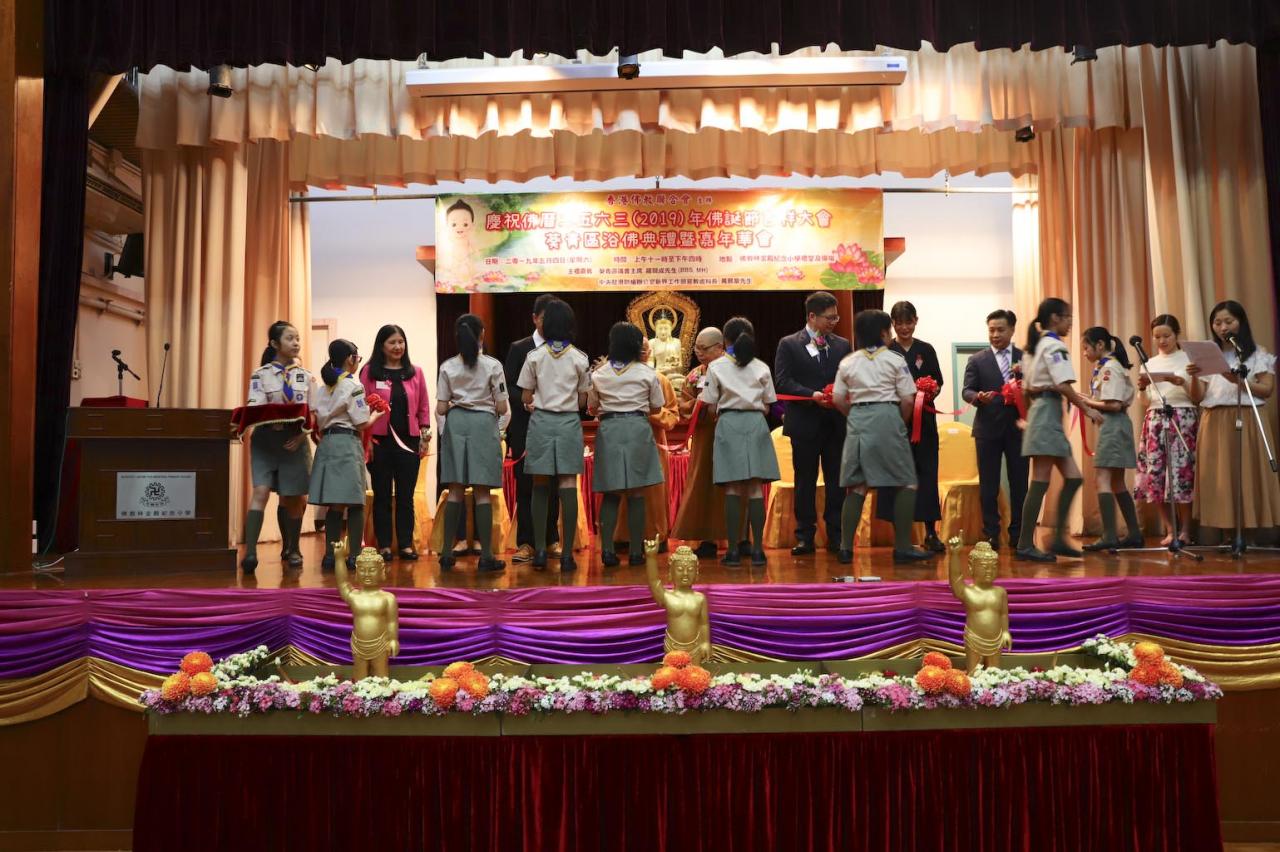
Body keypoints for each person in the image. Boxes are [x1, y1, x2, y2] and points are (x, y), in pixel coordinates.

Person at [831, 309, 932, 565]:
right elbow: (908, 399)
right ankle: (903, 547)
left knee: (857, 485)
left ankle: (845, 548)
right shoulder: (895, 360)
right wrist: (899, 422)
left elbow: (838, 399)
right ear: (884, 333)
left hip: (858, 419)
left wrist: (856, 415)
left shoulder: (848, 362)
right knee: (906, 482)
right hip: (888, 417)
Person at [1015, 297, 1102, 562]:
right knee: (1040, 480)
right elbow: (1063, 384)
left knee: (1073, 477)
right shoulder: (1053, 345)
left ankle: (1057, 540)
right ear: (1055, 318)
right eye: (1067, 318)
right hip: (1046, 413)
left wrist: (1030, 415)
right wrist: (1088, 409)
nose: (1070, 323)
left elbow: (1026, 389)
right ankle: (1024, 544)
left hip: (1044, 413)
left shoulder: (1032, 348)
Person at [1187, 300, 1280, 539]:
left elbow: (1267, 389)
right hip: (1214, 419)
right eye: (1217, 322)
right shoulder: (1209, 353)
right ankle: (1229, 536)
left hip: (1248, 417)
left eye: (1228, 321)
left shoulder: (1257, 353)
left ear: (1241, 322)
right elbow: (1197, 397)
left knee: (1246, 476)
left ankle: (1248, 535)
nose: (1222, 327)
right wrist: (1195, 376)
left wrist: (1237, 381)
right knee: (1220, 478)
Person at [773, 292, 852, 554]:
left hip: (836, 423)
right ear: (812, 316)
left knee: (836, 482)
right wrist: (812, 395)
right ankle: (805, 536)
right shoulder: (789, 344)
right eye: (829, 318)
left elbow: (849, 378)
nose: (834, 322)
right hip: (805, 422)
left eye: (836, 317)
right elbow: (782, 381)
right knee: (804, 481)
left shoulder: (842, 345)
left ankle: (836, 535)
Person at [701, 316, 780, 568]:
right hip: (756, 423)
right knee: (755, 488)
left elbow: (710, 405)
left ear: (725, 340)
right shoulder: (761, 366)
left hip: (729, 423)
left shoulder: (716, 367)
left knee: (733, 488)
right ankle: (758, 551)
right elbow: (768, 405)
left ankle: (733, 551)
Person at [518, 298, 590, 572]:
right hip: (569, 422)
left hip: (541, 423)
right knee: (568, 484)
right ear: (570, 325)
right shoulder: (580, 358)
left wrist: (537, 398)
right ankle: (567, 553)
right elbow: (583, 401)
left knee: (539, 484)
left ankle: (539, 550)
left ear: (545, 324)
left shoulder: (534, 356)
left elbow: (526, 396)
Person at [588, 322, 666, 567]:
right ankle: (635, 552)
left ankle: (607, 551)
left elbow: (592, 408)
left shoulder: (599, 374)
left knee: (611, 493)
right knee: (637, 493)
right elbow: (657, 407)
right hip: (637, 429)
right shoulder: (647, 373)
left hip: (609, 429)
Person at [436, 314, 509, 572]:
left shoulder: (447, 367)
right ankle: (486, 555)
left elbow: (441, 408)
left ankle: (447, 553)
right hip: (483, 425)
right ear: (482, 334)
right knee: (482, 492)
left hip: (456, 424)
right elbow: (502, 406)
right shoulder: (493, 366)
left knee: (455, 489)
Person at [241, 321, 314, 573]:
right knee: (260, 492)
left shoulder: (306, 376)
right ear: (274, 343)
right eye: (290, 338)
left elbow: (313, 413)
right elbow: (255, 406)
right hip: (265, 442)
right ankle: (250, 553)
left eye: (298, 338)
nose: (296, 343)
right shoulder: (260, 375)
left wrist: (301, 437)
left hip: (295, 441)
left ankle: (293, 549)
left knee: (293, 497)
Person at [874, 301, 945, 551]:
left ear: (916, 321)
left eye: (909, 322)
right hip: (895, 424)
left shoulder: (926, 349)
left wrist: (931, 390)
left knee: (927, 475)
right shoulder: (886, 351)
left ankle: (930, 532)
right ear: (892, 324)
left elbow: (938, 382)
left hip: (924, 423)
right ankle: (901, 535)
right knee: (896, 477)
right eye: (899, 323)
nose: (904, 328)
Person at [360, 324, 432, 563]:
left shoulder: (415, 372)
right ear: (381, 346)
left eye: (401, 341)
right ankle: (384, 545)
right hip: (379, 442)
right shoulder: (369, 372)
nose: (397, 346)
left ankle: (405, 544)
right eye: (392, 342)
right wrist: (367, 440)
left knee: (405, 496)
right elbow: (361, 407)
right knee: (381, 495)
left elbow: (423, 406)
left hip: (409, 442)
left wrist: (424, 435)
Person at [312, 338, 383, 571]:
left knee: (334, 504)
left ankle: (330, 556)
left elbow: (317, 420)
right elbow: (362, 423)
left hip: (327, 444)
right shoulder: (354, 386)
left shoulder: (323, 388)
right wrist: (377, 415)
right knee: (355, 502)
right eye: (357, 357)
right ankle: (354, 555)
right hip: (347, 444)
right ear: (350, 359)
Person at [961, 309, 1028, 550]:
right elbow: (966, 390)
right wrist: (977, 397)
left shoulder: (1024, 358)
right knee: (988, 485)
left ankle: (1019, 533)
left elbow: (1033, 388)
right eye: (991, 330)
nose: (995, 335)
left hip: (1018, 429)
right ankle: (991, 533)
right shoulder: (977, 360)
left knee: (1020, 483)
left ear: (1012, 329)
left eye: (1000, 330)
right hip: (987, 430)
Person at [506, 294, 561, 564]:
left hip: (553, 424)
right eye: (545, 318)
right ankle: (526, 542)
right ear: (534, 318)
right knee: (527, 486)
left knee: (553, 483)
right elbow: (509, 387)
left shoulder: (562, 349)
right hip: (525, 426)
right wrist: (526, 402)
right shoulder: (520, 348)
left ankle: (551, 539)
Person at [1133, 314, 1198, 545]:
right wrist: (1142, 388)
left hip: (1183, 417)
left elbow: (1197, 395)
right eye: (1157, 336)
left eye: (1167, 336)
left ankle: (1186, 531)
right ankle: (1170, 529)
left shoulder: (1188, 359)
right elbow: (1145, 401)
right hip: (1155, 420)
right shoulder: (1149, 363)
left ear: (1177, 335)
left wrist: (1182, 382)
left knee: (1182, 475)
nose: (1162, 341)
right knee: (1156, 475)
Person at [1078, 327, 1143, 551]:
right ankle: (1134, 534)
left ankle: (1109, 535)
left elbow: (1114, 404)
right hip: (1114, 426)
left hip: (1113, 426)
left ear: (1099, 345)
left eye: (1086, 347)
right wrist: (1084, 398)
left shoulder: (1110, 368)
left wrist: (1085, 402)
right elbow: (1105, 399)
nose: (1084, 353)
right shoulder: (1105, 366)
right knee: (1116, 482)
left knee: (1103, 480)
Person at [615, 341, 680, 554]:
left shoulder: (660, 379)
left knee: (653, 492)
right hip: (624, 441)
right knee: (623, 489)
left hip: (653, 443)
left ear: (650, 351)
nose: (642, 350)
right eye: (638, 346)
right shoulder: (617, 377)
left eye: (645, 347)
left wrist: (648, 412)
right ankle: (622, 536)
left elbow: (672, 416)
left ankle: (655, 535)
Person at [672, 327, 732, 557]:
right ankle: (707, 538)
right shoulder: (694, 375)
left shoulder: (733, 369)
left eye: (703, 348)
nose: (698, 352)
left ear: (719, 347)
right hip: (704, 437)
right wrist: (699, 403)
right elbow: (683, 404)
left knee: (733, 484)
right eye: (696, 347)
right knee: (704, 484)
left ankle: (739, 538)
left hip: (728, 433)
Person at [644, 537, 711, 665]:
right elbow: (654, 581)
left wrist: (705, 642)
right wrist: (651, 558)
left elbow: (703, 624)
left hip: (695, 647)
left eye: (690, 570)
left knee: (694, 675)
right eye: (680, 569)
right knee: (671, 675)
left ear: (696, 573)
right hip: (672, 646)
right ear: (671, 572)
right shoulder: (667, 596)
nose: (685, 573)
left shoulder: (700, 598)